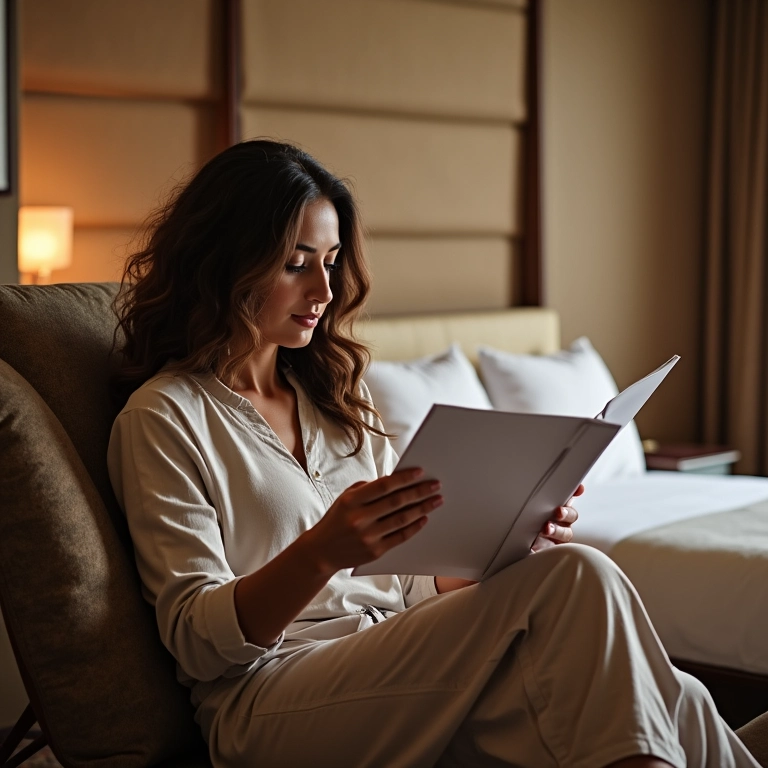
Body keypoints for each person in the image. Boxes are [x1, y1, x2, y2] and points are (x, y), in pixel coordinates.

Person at [107, 139, 761, 768]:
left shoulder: (334, 405)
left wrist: (509, 539)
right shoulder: (165, 419)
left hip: (396, 671)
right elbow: (197, 644)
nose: (324, 291)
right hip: (270, 698)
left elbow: (411, 589)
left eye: (331, 262)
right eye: (295, 262)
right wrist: (322, 552)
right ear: (226, 261)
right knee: (582, 580)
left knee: (674, 694)